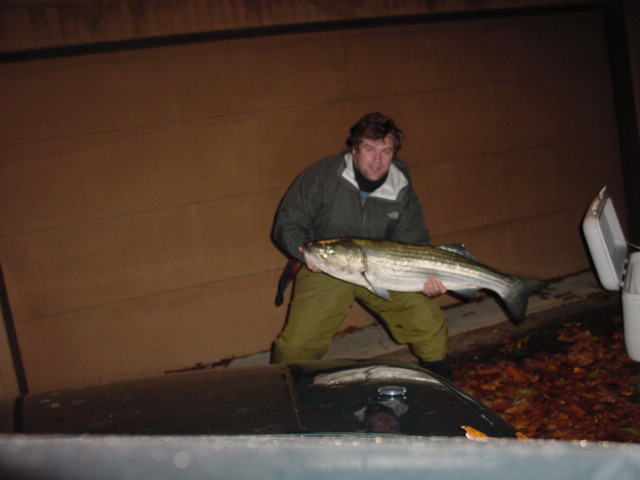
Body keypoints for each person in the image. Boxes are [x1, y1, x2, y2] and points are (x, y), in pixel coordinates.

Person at [270, 112, 453, 379]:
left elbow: (413, 242)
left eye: (385, 151)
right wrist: (303, 250)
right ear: (354, 149)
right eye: (369, 149)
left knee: (426, 323)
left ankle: (441, 387)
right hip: (326, 266)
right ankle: (283, 390)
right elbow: (289, 221)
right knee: (298, 344)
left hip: (384, 268)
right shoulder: (322, 176)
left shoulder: (401, 188)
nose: (377, 160)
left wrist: (425, 279)